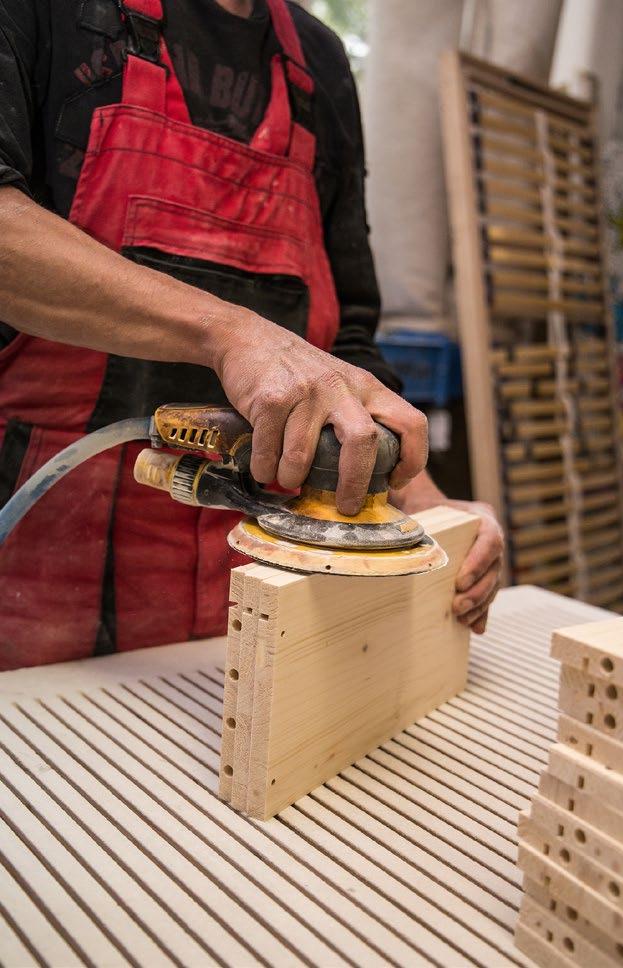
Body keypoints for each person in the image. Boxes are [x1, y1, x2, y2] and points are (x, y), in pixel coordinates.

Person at [0, 0, 503, 670]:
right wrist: (230, 333)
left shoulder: (318, 60)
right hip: (39, 581)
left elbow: (346, 340)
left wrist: (429, 515)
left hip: (261, 590)